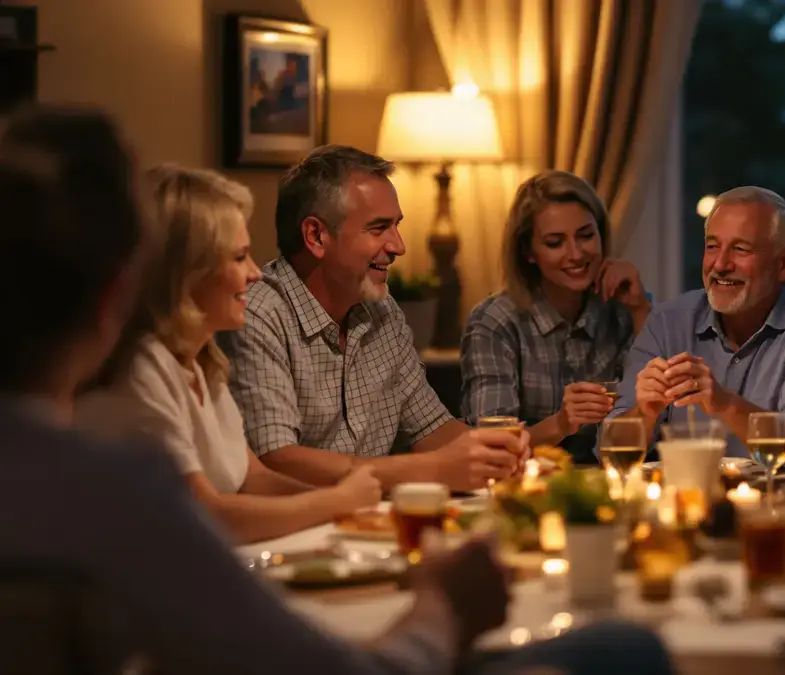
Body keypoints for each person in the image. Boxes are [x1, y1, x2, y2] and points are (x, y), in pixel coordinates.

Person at [0, 104, 673, 675]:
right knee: (625, 645)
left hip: (339, 544)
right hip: (338, 600)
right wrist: (441, 605)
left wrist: (500, 445)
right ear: (117, 295)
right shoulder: (120, 479)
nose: (400, 245)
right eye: (381, 228)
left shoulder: (220, 362)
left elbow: (279, 467)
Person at [75, 165, 382, 544]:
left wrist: (352, 507)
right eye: (239, 258)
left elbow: (253, 478)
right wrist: (336, 503)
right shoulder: (142, 367)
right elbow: (206, 515)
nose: (255, 273)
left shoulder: (201, 360)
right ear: (188, 272)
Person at [218, 145, 528, 492]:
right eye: (379, 228)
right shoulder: (259, 314)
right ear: (316, 236)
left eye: (396, 226)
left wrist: (502, 455)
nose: (398, 246)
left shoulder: (382, 310)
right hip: (294, 532)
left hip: (370, 529)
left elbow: (432, 428)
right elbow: (277, 460)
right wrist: (431, 470)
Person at [611, 186, 785, 469]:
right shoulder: (668, 321)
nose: (720, 264)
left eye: (740, 249)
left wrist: (724, 403)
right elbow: (609, 447)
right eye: (712, 246)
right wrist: (645, 412)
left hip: (784, 505)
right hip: (685, 501)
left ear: (784, 265)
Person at [462, 171, 651, 464]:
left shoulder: (624, 310)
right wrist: (561, 423)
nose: (576, 254)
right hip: (523, 491)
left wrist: (641, 311)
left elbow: (656, 422)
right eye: (555, 243)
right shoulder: (495, 322)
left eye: (586, 236)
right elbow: (491, 447)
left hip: (612, 485)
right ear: (529, 252)